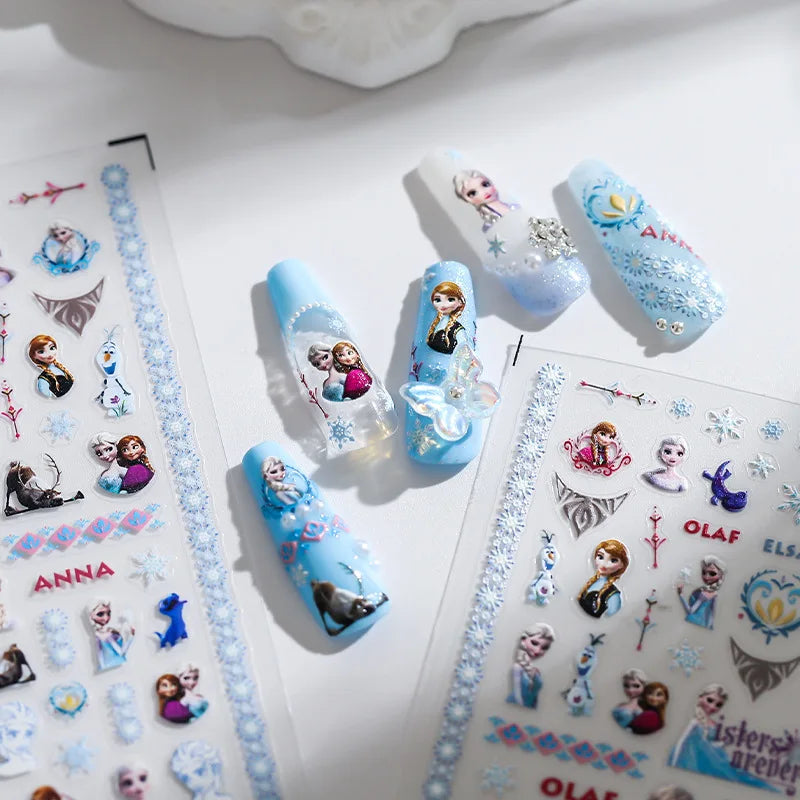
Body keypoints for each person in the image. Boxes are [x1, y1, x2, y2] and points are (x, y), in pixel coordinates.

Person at [668, 683, 777, 790]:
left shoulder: (713, 724)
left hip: (720, 764)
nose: (712, 706)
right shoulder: (694, 724)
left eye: (718, 705)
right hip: (704, 766)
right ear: (700, 697)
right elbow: (681, 748)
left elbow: (716, 746)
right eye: (709, 700)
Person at [453, 170, 519, 231]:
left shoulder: (516, 207)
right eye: (473, 193)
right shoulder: (489, 227)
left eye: (485, 184)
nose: (483, 192)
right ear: (468, 199)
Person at [506, 623, 554, 709]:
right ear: (524, 639)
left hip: (530, 708)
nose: (537, 650)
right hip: (515, 707)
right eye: (534, 643)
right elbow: (517, 695)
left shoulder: (536, 672)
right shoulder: (517, 668)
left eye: (544, 647)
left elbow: (535, 696)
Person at [577, 539, 629, 618]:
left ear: (621, 565)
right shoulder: (591, 583)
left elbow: (611, 619)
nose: (604, 564)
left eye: (613, 560)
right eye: (600, 557)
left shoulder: (613, 594)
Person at [677, 556, 726, 630]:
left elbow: (690, 611)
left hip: (693, 624)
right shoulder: (713, 593)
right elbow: (712, 615)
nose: (706, 577)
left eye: (712, 573)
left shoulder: (704, 593)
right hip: (702, 627)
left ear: (720, 575)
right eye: (704, 572)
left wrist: (680, 594)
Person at [88, 599, 135, 671]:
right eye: (100, 614)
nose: (106, 618)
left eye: (108, 613)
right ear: (91, 616)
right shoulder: (107, 634)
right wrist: (131, 637)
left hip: (110, 666)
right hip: (117, 664)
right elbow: (121, 652)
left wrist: (102, 666)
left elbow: (100, 654)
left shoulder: (101, 633)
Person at [426, 281, 466, 355]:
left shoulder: (457, 329)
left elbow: (463, 351)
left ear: (460, 302)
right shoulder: (436, 323)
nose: (443, 304)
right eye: (438, 300)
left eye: (450, 299)